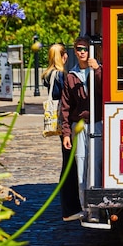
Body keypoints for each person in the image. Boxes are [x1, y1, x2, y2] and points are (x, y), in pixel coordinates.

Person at [61, 36, 103, 221]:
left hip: (97, 122)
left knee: (97, 164)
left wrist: (98, 70)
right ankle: (85, 208)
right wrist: (66, 133)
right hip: (79, 125)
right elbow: (65, 107)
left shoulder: (98, 69)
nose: (82, 52)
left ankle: (97, 208)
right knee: (81, 166)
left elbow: (106, 91)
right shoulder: (71, 76)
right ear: (75, 51)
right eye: (79, 49)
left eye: (85, 49)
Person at [41, 43, 83, 222]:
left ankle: (69, 207)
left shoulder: (47, 74)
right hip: (65, 121)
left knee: (67, 161)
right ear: (63, 56)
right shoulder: (60, 75)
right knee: (69, 164)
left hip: (60, 123)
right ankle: (70, 207)